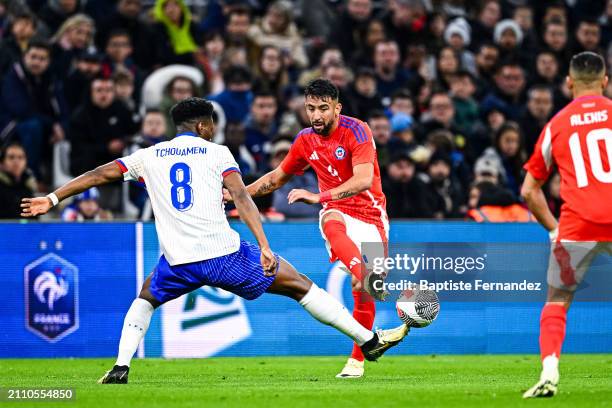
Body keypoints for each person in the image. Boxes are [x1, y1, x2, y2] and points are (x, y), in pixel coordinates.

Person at [20, 97, 408, 384]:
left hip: (177, 261)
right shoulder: (216, 152)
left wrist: (51, 198)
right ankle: (369, 341)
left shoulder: (150, 155)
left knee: (144, 298)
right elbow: (241, 196)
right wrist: (265, 246)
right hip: (225, 254)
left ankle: (121, 366)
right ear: (204, 127)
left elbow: (101, 173)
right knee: (300, 286)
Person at [226, 79, 390, 379]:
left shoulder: (358, 130)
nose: (316, 115)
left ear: (337, 108)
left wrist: (319, 196)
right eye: (311, 108)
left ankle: (357, 360)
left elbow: (364, 179)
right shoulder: (304, 140)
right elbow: (276, 178)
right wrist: (238, 193)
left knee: (363, 292)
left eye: (323, 109)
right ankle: (363, 274)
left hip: (371, 215)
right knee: (332, 222)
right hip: (337, 210)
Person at [521, 51, 612, 398]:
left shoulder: (556, 124)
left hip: (577, 227)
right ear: (604, 82)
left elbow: (529, 190)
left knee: (557, 302)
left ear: (569, 83)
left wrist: (555, 229)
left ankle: (549, 374)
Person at [0, 142, 37, 219]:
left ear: (26, 162)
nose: (16, 161)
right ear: (2, 163)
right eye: (11, 157)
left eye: (20, 157)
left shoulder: (29, 187)